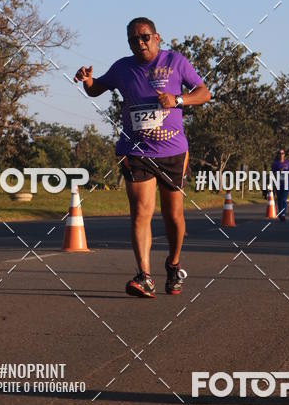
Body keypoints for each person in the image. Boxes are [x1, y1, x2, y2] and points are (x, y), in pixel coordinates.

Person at [74, 18, 211, 298]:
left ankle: (173, 264)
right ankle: (144, 276)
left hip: (172, 151)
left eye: (145, 37)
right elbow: (95, 89)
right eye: (134, 39)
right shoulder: (123, 67)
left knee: (173, 215)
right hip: (135, 150)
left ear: (157, 37)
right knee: (140, 213)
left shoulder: (175, 61)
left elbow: (204, 93)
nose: (140, 43)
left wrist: (178, 100)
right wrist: (87, 80)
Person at [270, 148, 289, 222]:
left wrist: (286, 171)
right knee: (279, 199)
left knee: (284, 199)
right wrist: (279, 172)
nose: (281, 155)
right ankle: (281, 213)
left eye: (282, 153)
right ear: (278, 154)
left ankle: (283, 214)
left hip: (286, 183)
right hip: (278, 183)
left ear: (284, 154)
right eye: (280, 153)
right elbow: (272, 173)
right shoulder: (275, 163)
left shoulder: (287, 163)